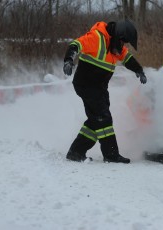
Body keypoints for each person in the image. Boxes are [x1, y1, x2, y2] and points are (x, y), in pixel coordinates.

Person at [63, 19, 147, 163]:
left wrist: (139, 70)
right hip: (86, 84)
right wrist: (69, 60)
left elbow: (127, 58)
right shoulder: (96, 38)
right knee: (103, 118)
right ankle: (111, 154)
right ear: (117, 35)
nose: (122, 45)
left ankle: (76, 152)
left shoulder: (115, 47)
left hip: (99, 87)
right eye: (122, 41)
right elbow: (76, 45)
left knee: (96, 120)